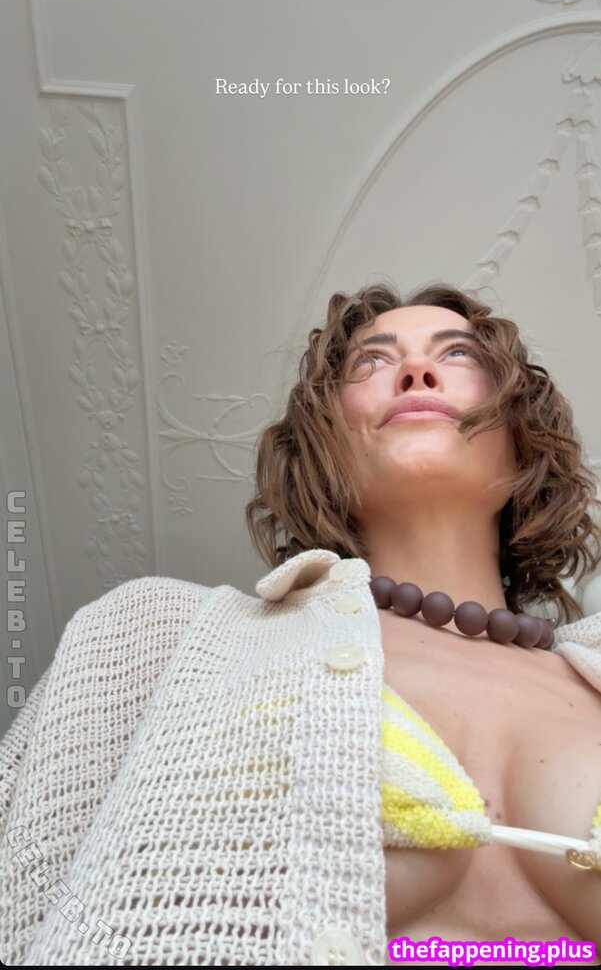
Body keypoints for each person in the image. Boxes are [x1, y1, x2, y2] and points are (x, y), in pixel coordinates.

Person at [1, 280, 601, 967]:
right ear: (323, 435)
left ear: (523, 432)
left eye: (457, 353)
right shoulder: (154, 635)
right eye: (373, 360)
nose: (416, 370)